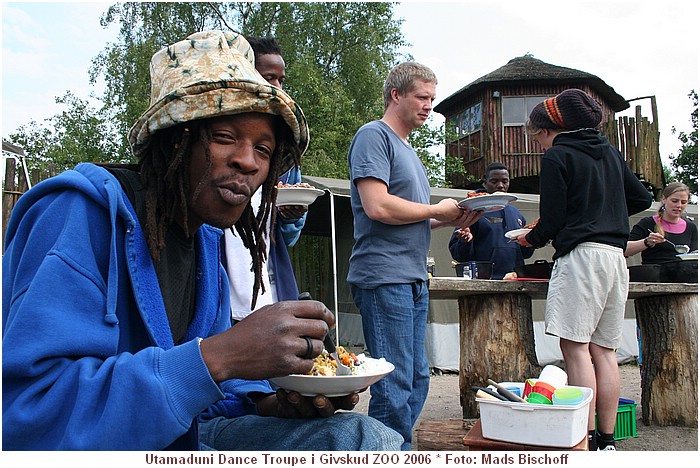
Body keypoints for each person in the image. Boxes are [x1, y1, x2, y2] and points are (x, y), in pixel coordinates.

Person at [2, 30, 402, 451]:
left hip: (182, 441)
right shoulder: (77, 214)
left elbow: (195, 403)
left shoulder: (204, 241)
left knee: (358, 437)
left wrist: (272, 403)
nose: (247, 161)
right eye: (225, 137)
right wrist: (219, 356)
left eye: (263, 150)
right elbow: (29, 412)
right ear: (176, 138)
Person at [346, 61, 480, 450]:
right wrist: (437, 210)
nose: (429, 106)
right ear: (396, 95)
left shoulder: (408, 149)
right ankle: (388, 452)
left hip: (412, 277)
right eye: (422, 97)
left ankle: (395, 448)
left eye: (432, 99)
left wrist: (453, 217)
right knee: (394, 381)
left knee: (418, 377)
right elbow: (378, 207)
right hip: (383, 276)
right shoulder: (374, 136)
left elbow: (409, 218)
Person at [515, 88, 652, 451]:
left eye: (539, 138)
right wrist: (604, 206)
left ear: (550, 128)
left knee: (575, 348)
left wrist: (531, 239)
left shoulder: (558, 155)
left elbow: (554, 220)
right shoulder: (608, 151)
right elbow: (641, 198)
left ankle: (581, 440)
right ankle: (606, 439)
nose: (541, 145)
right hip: (615, 257)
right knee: (604, 351)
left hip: (582, 258)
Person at [224, 36, 307, 319]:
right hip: (225, 294)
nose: (278, 88)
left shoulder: (283, 156)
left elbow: (285, 238)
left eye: (282, 80)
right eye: (269, 77)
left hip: (266, 286)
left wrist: (291, 215)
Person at [448, 162, 535, 279]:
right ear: (485, 183)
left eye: (505, 181)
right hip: (482, 284)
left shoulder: (517, 214)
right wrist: (465, 241)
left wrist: (532, 240)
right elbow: (458, 255)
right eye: (494, 181)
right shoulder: (473, 211)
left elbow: (525, 254)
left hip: (514, 281)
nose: (500, 185)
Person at [625, 182, 697, 261]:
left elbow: (694, 254)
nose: (679, 205)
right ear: (664, 199)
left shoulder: (691, 227)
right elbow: (625, 250)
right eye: (674, 201)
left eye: (683, 202)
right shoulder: (648, 223)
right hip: (653, 271)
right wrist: (646, 242)